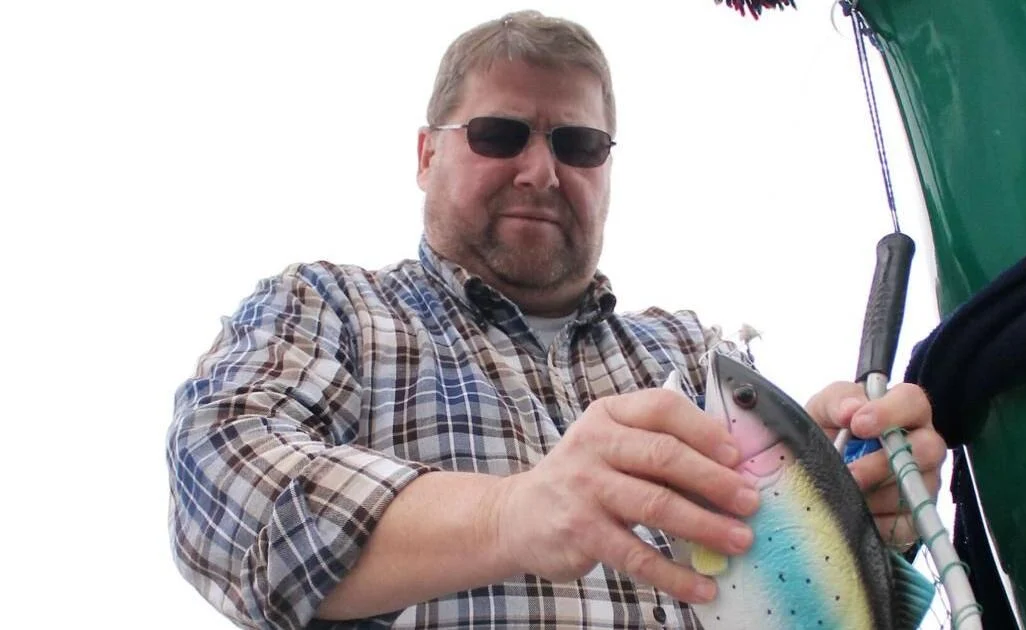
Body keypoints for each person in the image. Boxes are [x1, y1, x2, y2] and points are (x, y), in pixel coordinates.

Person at [166, 10, 948, 630]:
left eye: (578, 144)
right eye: (498, 135)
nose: (540, 172)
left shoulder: (690, 351)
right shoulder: (329, 306)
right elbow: (225, 490)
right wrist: (510, 514)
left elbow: (803, 593)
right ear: (426, 155)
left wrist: (853, 503)